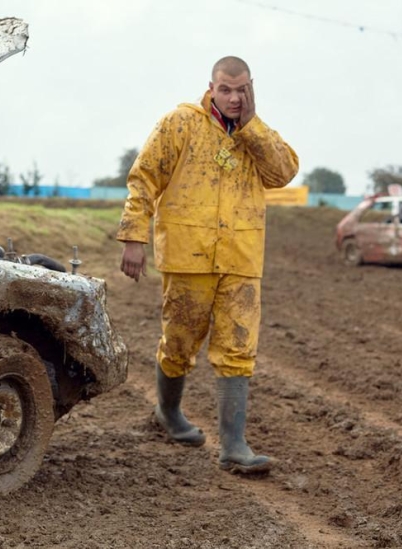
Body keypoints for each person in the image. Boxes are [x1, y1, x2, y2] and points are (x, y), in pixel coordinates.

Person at [117, 56, 298, 474]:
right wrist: (133, 237)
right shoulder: (181, 123)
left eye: (242, 90)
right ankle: (169, 412)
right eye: (226, 89)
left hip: (241, 258)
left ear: (251, 88)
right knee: (179, 344)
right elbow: (144, 178)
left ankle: (234, 446)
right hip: (188, 254)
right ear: (212, 88)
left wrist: (253, 125)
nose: (234, 98)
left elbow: (284, 173)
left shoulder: (257, 137)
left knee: (238, 347)